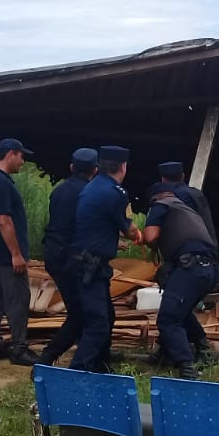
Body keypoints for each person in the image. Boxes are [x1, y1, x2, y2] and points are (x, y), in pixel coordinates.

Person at [69, 146, 142, 372]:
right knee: (98, 324)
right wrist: (139, 234)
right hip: (90, 266)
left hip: (84, 262)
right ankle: (76, 372)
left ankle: (100, 364)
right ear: (123, 166)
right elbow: (128, 229)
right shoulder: (115, 193)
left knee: (107, 317)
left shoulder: (93, 187)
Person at [143, 178, 219, 380]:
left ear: (155, 197)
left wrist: (136, 235)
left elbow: (150, 237)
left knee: (168, 319)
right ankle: (201, 352)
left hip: (191, 269)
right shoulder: (186, 210)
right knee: (182, 311)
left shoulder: (161, 206)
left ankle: (186, 366)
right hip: (210, 270)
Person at [0, 138, 41, 366]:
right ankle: (19, 347)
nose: (22, 161)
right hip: (7, 255)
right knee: (17, 300)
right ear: (11, 154)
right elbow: (4, 220)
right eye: (21, 156)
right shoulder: (1, 183)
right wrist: (16, 253)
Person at [38, 148, 98, 365]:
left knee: (79, 310)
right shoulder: (89, 193)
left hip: (54, 255)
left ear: (72, 167)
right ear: (95, 170)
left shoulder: (59, 191)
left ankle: (90, 351)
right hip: (72, 260)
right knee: (80, 314)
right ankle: (48, 356)